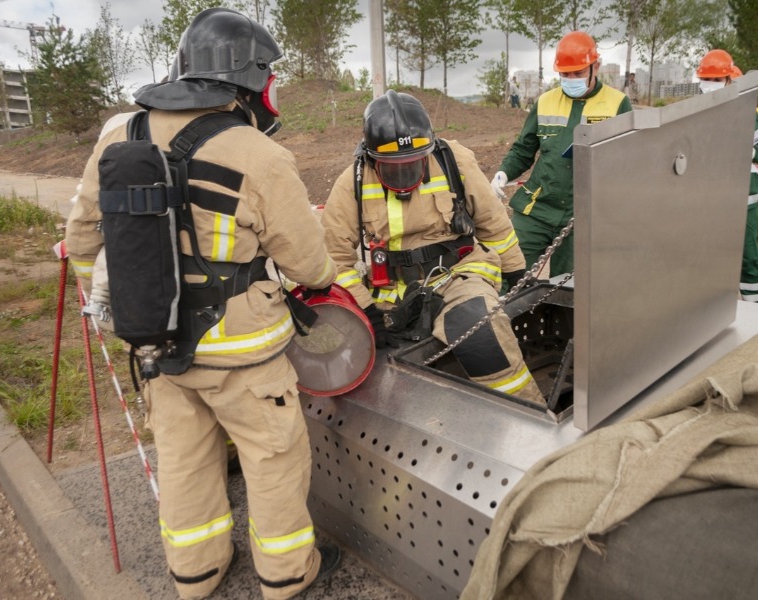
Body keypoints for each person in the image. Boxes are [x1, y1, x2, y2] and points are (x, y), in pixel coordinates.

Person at [65, 8, 341, 599]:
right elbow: (309, 264)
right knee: (273, 458)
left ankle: (197, 573)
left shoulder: (121, 137)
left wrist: (111, 311)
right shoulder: (259, 155)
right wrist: (320, 276)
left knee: (184, 459)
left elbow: (85, 236)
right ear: (251, 78)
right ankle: (287, 574)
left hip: (155, 341)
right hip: (243, 352)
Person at [320, 90, 546, 406]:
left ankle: (528, 412)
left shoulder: (453, 159)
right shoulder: (353, 181)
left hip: (458, 273)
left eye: (413, 163)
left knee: (478, 328)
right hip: (395, 290)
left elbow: (493, 222)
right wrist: (366, 310)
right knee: (367, 359)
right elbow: (334, 257)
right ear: (372, 158)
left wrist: (517, 274)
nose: (404, 174)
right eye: (392, 167)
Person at [491, 31, 632, 277]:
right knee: (508, 272)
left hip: (583, 214)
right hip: (537, 207)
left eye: (578, 73)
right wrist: (503, 172)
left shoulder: (618, 103)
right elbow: (524, 148)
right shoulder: (545, 101)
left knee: (568, 288)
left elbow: (628, 160)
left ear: (595, 66)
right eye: (565, 74)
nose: (570, 79)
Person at [696, 49, 758, 304]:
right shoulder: (697, 111)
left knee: (748, 259)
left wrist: (748, 154)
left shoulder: (750, 112)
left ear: (730, 80)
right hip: (707, 200)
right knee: (708, 258)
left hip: (742, 202)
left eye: (717, 80)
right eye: (707, 80)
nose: (710, 86)